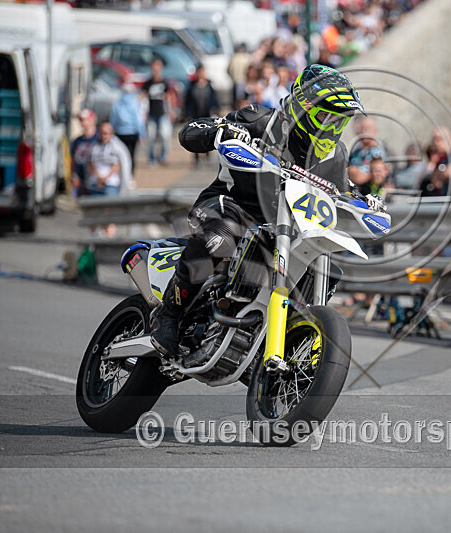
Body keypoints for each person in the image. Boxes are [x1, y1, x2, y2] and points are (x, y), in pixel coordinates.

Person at [150, 65, 367, 360]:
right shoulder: (260, 120)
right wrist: (220, 130)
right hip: (232, 205)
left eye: (340, 121)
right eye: (327, 116)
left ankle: (289, 341)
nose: (332, 127)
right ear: (304, 108)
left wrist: (362, 201)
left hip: (285, 230)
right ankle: (169, 314)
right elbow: (190, 133)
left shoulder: (336, 155)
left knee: (324, 269)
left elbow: (342, 191)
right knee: (220, 237)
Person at [184, 65, 220, 167]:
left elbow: (214, 101)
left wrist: (215, 111)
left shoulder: (209, 86)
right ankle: (196, 157)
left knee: (207, 135)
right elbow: (188, 102)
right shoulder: (192, 86)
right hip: (195, 116)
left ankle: (207, 152)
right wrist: (187, 114)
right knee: (194, 137)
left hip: (207, 115)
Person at [143, 58, 175, 167]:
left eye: (158, 67)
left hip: (163, 114)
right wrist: (142, 113)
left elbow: (169, 97)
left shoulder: (164, 83)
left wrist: (171, 111)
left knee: (165, 136)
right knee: (151, 137)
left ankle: (163, 157)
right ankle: (151, 158)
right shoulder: (148, 83)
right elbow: (143, 98)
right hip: (151, 114)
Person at [86, 121, 131, 197]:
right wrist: (98, 178)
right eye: (101, 133)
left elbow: (120, 165)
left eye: (105, 133)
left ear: (111, 133)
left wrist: (105, 179)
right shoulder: (94, 146)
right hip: (95, 184)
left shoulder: (118, 147)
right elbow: (89, 163)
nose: (103, 136)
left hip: (111, 185)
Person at [109, 82, 145, 176]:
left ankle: (121, 175)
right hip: (132, 133)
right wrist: (142, 134)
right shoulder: (136, 103)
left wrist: (111, 132)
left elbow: (113, 119)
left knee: (119, 156)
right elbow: (139, 121)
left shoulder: (116, 103)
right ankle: (130, 176)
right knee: (131, 155)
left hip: (119, 133)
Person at [348, 116, 387, 187]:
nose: (364, 131)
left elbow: (360, 177)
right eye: (362, 128)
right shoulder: (357, 150)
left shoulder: (377, 152)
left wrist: (347, 171)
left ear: (375, 131)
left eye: (368, 128)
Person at [70, 109, 98, 198]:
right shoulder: (77, 140)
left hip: (94, 179)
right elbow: (73, 160)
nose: (82, 123)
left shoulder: (99, 138)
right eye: (80, 120)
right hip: (80, 179)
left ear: (92, 120)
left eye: (84, 120)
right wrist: (73, 175)